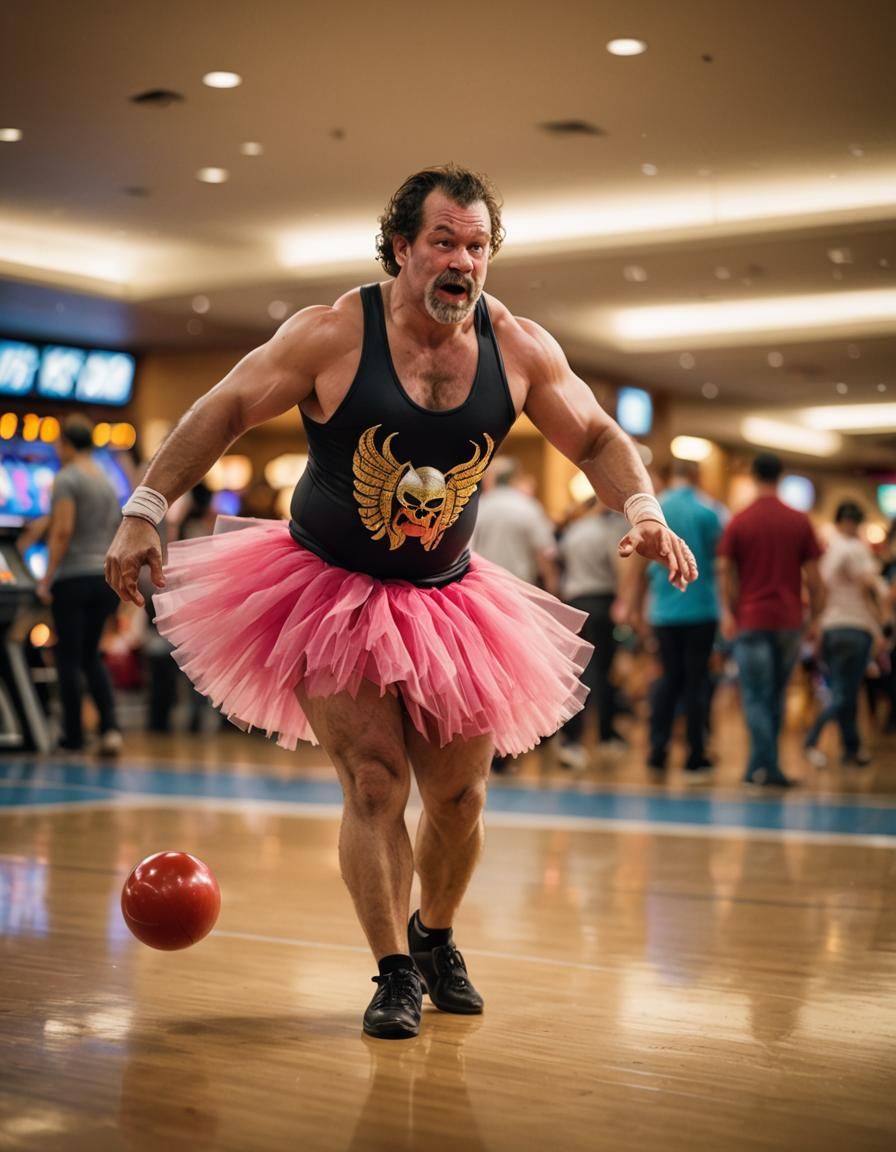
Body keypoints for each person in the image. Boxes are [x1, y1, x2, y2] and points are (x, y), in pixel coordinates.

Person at [105, 164, 697, 1040]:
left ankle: (435, 936)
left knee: (459, 801)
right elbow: (226, 406)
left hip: (449, 596)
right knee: (375, 782)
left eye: (478, 246)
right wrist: (145, 508)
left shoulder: (520, 346)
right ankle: (391, 971)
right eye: (444, 242)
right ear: (401, 248)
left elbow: (599, 433)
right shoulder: (332, 333)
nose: (463, 261)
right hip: (323, 588)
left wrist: (643, 508)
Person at [717, 452, 824, 788]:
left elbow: (724, 571)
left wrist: (728, 611)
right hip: (790, 620)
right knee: (775, 695)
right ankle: (765, 767)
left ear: (753, 475)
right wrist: (816, 616)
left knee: (754, 695)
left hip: (750, 619)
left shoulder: (740, 520)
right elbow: (815, 576)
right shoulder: (799, 520)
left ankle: (761, 767)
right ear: (781, 477)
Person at [625, 460, 724, 779]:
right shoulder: (711, 512)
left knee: (666, 679)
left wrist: (634, 608)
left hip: (664, 612)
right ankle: (695, 755)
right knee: (696, 681)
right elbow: (720, 563)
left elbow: (638, 567)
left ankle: (658, 750)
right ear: (697, 476)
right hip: (701, 608)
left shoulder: (656, 511)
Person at [39, 416, 123, 754]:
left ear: (66, 444)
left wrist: (47, 577)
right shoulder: (106, 481)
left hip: (73, 576)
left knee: (69, 658)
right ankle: (110, 727)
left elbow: (62, 530)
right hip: (102, 577)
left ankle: (73, 735)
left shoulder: (67, 478)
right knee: (91, 656)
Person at [472, 456, 559, 773]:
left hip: (480, 595)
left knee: (485, 673)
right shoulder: (527, 508)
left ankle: (487, 746)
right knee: (518, 673)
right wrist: (551, 591)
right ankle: (511, 745)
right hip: (519, 595)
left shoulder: (480, 505)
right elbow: (545, 553)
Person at [803, 501, 887, 767]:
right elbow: (873, 590)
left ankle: (852, 749)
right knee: (844, 693)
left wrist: (816, 624)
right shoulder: (856, 550)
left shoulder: (830, 551)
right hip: (856, 629)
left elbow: (819, 589)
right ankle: (812, 739)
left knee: (845, 691)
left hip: (832, 629)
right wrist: (880, 626)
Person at [555, 496, 629, 771]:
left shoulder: (574, 532)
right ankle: (605, 735)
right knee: (603, 672)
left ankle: (572, 739)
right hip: (602, 603)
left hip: (575, 604)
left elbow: (559, 564)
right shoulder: (609, 531)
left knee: (577, 673)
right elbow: (620, 566)